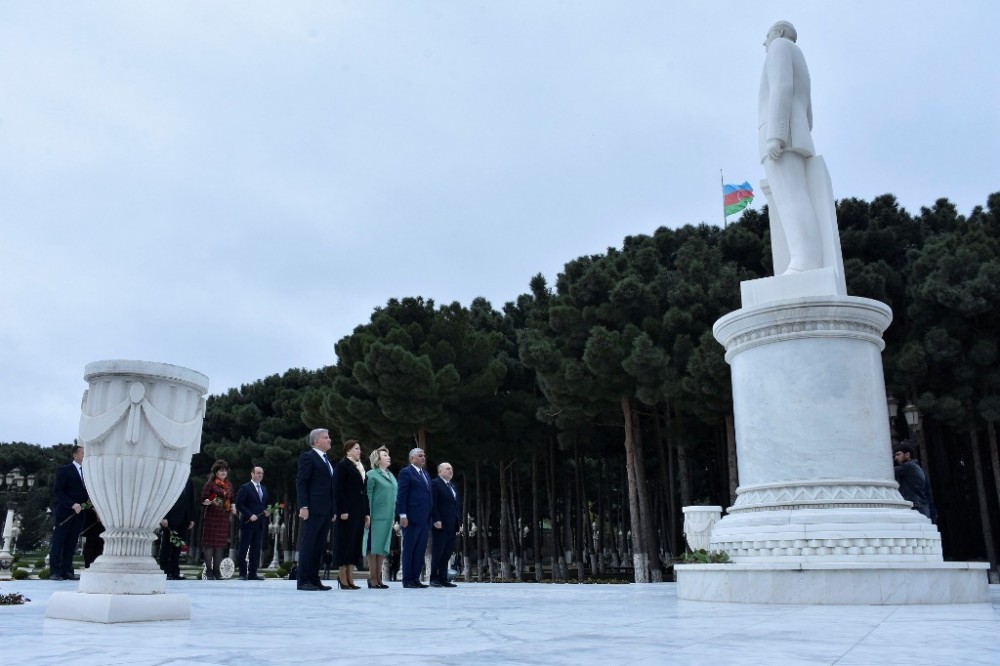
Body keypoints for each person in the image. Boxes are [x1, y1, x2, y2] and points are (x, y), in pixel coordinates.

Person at [758, 20, 825, 275]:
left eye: (767, 35)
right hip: (795, 131)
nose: (764, 42)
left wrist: (775, 134)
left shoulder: (779, 47)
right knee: (794, 196)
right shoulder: (799, 56)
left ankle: (804, 261)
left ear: (779, 32)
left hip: (782, 134)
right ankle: (804, 258)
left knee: (790, 197)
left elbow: (781, 86)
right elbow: (808, 108)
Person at [295, 428, 336, 591]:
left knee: (319, 546)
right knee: (309, 544)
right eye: (326, 437)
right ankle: (303, 580)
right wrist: (303, 505)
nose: (329, 440)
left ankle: (314, 578)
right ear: (316, 441)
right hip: (312, 509)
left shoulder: (327, 460)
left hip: (325, 510)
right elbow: (301, 482)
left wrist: (333, 510)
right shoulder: (308, 457)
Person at [49, 444, 89, 581]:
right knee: (58, 543)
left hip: (80, 515)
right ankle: (55, 572)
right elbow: (58, 491)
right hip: (65, 513)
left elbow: (87, 494)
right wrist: (72, 504)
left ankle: (67, 571)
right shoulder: (65, 470)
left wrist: (86, 505)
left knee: (71, 544)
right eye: (83, 452)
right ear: (75, 455)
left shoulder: (88, 472)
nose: (85, 455)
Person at [396, 447, 433, 588]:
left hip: (425, 518)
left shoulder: (425, 474)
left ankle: (415, 578)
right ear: (412, 458)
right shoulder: (406, 472)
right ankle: (407, 579)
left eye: (424, 455)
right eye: (420, 455)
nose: (423, 458)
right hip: (411, 517)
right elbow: (402, 495)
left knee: (420, 549)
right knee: (410, 548)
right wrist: (403, 515)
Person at [365, 445, 397, 589]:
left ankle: (378, 578)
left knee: (382, 548)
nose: (388, 457)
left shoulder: (391, 475)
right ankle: (372, 578)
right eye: (385, 455)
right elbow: (368, 496)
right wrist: (368, 515)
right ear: (377, 460)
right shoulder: (371, 474)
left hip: (388, 517)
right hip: (375, 516)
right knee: (373, 548)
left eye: (388, 455)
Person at [200, 459, 236, 580]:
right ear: (216, 472)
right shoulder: (210, 484)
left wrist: (233, 507)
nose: (223, 472)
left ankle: (217, 571)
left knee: (220, 545)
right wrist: (211, 501)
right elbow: (203, 500)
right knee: (209, 545)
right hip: (212, 517)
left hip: (224, 518)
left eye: (225, 470)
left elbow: (232, 499)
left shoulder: (229, 485)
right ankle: (209, 571)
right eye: (221, 471)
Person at [236, 466, 270, 581]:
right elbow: (239, 504)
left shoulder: (264, 489)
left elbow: (263, 505)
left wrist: (266, 511)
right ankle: (242, 573)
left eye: (262, 473)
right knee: (243, 548)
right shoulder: (245, 488)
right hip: (247, 523)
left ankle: (252, 573)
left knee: (256, 549)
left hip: (259, 524)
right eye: (258, 473)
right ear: (252, 474)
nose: (260, 475)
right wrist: (250, 514)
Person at [430, 461, 460, 588]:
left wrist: (460, 523)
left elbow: (457, 506)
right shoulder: (435, 484)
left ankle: (443, 578)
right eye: (448, 469)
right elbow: (433, 504)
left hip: (452, 525)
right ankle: (434, 578)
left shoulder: (452, 486)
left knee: (447, 552)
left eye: (451, 468)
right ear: (440, 471)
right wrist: (436, 519)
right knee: (438, 552)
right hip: (440, 524)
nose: (450, 471)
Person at [160, 479, 194, 580]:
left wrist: (192, 518)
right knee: (167, 545)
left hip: (184, 517)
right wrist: (163, 516)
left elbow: (191, 499)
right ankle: (165, 570)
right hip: (170, 518)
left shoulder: (188, 480)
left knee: (178, 546)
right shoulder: (170, 477)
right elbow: (163, 497)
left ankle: (175, 571)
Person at [893, 443, 932, 518]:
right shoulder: (916, 467)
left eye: (898, 455)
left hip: (915, 507)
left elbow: (888, 471)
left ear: (907, 455)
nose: (896, 458)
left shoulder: (909, 467)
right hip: (921, 506)